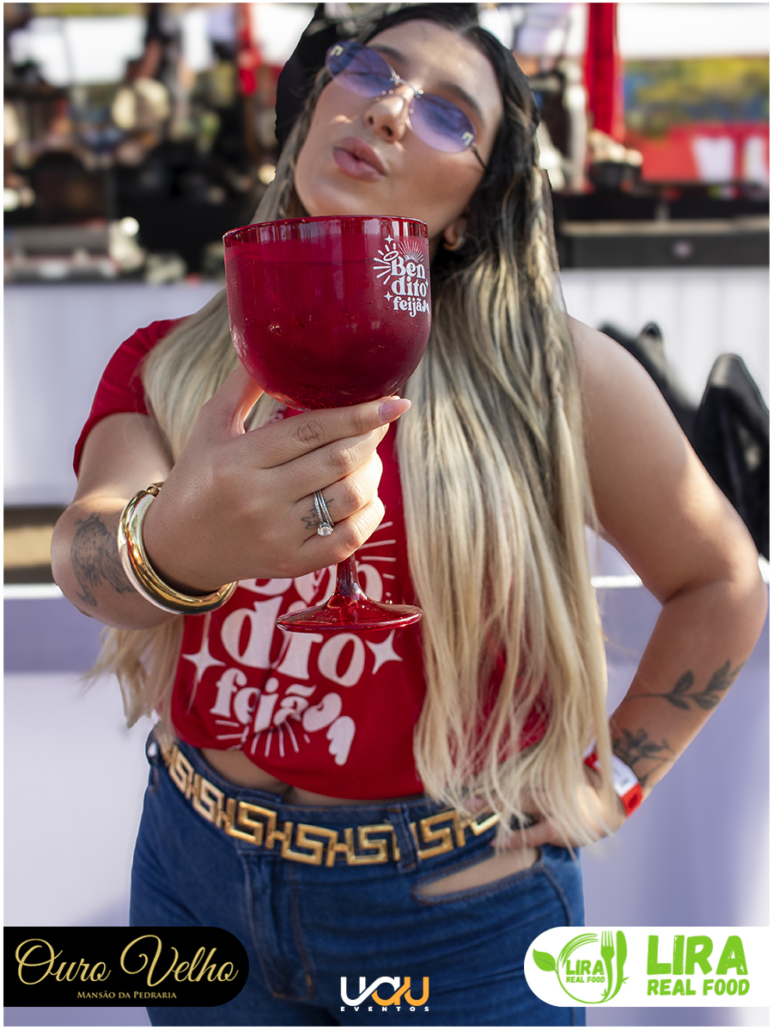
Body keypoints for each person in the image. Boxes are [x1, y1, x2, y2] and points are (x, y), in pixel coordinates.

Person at [51, 5, 766, 1026]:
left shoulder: (552, 375)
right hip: (194, 874)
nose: (389, 110)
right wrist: (170, 544)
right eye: (370, 71)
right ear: (311, 114)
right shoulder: (167, 363)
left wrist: (614, 777)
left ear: (471, 209)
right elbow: (88, 565)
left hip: (457, 915)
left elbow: (721, 581)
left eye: (447, 115)